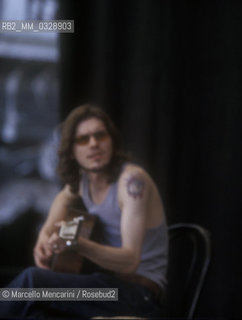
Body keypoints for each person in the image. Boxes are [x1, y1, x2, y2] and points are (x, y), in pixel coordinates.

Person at [0, 105, 168, 318]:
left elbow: (130, 261)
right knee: (36, 312)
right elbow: (63, 197)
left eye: (100, 135)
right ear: (72, 151)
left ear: (112, 140)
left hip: (137, 296)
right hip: (104, 290)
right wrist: (43, 237)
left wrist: (79, 244)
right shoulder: (83, 182)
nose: (94, 144)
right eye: (83, 139)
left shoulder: (132, 181)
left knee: (33, 283)